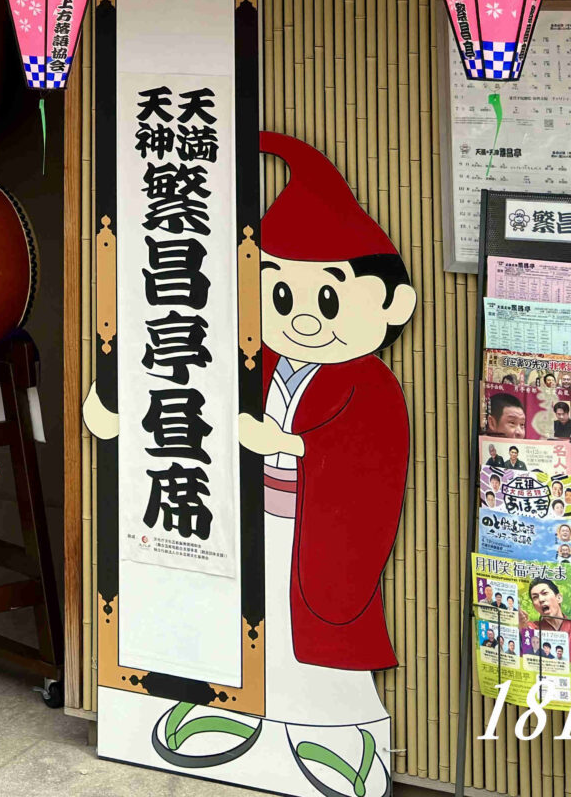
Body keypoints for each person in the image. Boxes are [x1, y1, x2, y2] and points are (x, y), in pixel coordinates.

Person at [157, 133, 416, 796]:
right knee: (244, 616)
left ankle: (335, 738)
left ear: (392, 304)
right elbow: (190, 396)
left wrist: (292, 445)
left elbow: (372, 460)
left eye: (326, 299)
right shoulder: (255, 362)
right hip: (256, 521)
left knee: (315, 633)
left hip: (320, 534)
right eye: (278, 295)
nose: (300, 317)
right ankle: (230, 707)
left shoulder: (372, 384)